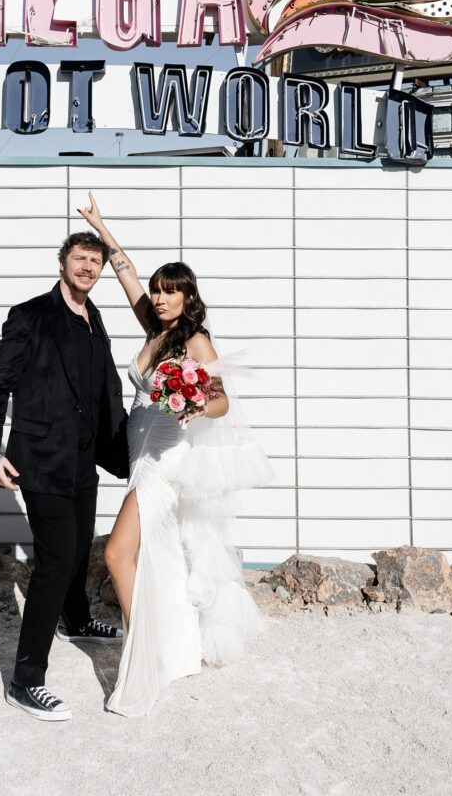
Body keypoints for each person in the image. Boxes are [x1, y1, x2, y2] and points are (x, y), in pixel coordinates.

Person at [78, 192, 276, 717]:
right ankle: (173, 645)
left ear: (189, 299)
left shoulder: (196, 341)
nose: (160, 299)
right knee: (159, 560)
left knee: (119, 555)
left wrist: (192, 406)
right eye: (159, 292)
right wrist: (101, 227)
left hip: (165, 462)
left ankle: (145, 647)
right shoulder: (155, 330)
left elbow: (221, 399)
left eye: (171, 293)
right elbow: (126, 274)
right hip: (139, 457)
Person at [0, 231, 130, 722]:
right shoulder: (30, 315)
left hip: (85, 459)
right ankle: (25, 681)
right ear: (62, 262)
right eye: (80, 258)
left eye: (96, 261)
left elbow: (102, 389)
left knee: (79, 543)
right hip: (40, 458)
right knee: (55, 563)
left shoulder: (93, 317)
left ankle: (76, 620)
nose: (88, 267)